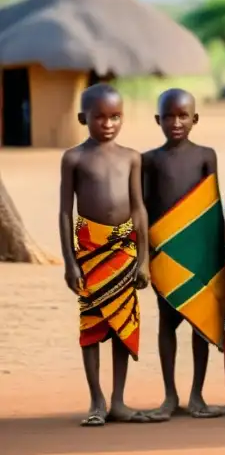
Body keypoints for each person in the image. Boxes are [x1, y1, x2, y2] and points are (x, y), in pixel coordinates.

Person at [59, 83, 150, 426]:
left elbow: (139, 209)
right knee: (93, 324)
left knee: (122, 324)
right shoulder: (74, 158)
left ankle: (119, 401)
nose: (108, 123)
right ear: (84, 118)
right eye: (100, 117)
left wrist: (143, 258)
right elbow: (65, 212)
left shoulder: (131, 157)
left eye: (115, 117)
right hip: (90, 251)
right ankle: (96, 400)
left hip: (124, 250)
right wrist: (70, 262)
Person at [143, 89, 225, 421]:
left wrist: (218, 255)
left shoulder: (206, 155)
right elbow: (143, 207)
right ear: (157, 120)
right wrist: (146, 253)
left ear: (195, 119)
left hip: (199, 253)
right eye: (168, 116)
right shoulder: (148, 160)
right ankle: (169, 396)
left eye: (182, 116)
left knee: (200, 323)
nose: (176, 123)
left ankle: (197, 396)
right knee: (166, 323)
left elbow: (211, 206)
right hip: (164, 253)